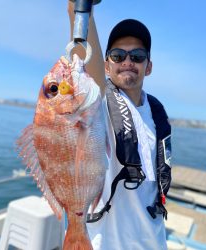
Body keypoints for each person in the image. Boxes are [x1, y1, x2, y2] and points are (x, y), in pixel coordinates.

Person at [68, 2, 172, 250]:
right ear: (106, 65)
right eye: (117, 55)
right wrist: (77, 7)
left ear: (148, 67)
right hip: (104, 243)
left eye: (137, 56)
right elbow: (85, 57)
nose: (127, 61)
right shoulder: (97, 101)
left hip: (153, 241)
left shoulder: (158, 114)